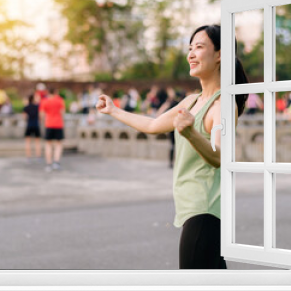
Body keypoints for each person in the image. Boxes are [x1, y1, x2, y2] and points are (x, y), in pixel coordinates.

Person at [96, 25, 249, 269]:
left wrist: (190, 133)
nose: (191, 54)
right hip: (193, 211)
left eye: (199, 47)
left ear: (220, 55)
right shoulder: (191, 100)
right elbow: (153, 124)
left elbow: (220, 156)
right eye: (190, 48)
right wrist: (114, 110)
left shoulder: (222, 105)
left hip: (205, 211)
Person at [39, 88, 66, 172]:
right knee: (58, 144)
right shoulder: (60, 100)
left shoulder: (44, 101)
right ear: (56, 92)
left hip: (49, 124)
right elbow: (63, 112)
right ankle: (56, 163)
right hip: (58, 124)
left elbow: (42, 114)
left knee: (48, 144)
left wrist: (44, 122)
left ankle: (49, 164)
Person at [23, 94, 42, 160]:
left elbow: (24, 117)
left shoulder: (26, 107)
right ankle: (38, 156)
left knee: (28, 142)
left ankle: (28, 157)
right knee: (37, 142)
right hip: (36, 125)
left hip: (29, 125)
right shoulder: (37, 107)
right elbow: (40, 116)